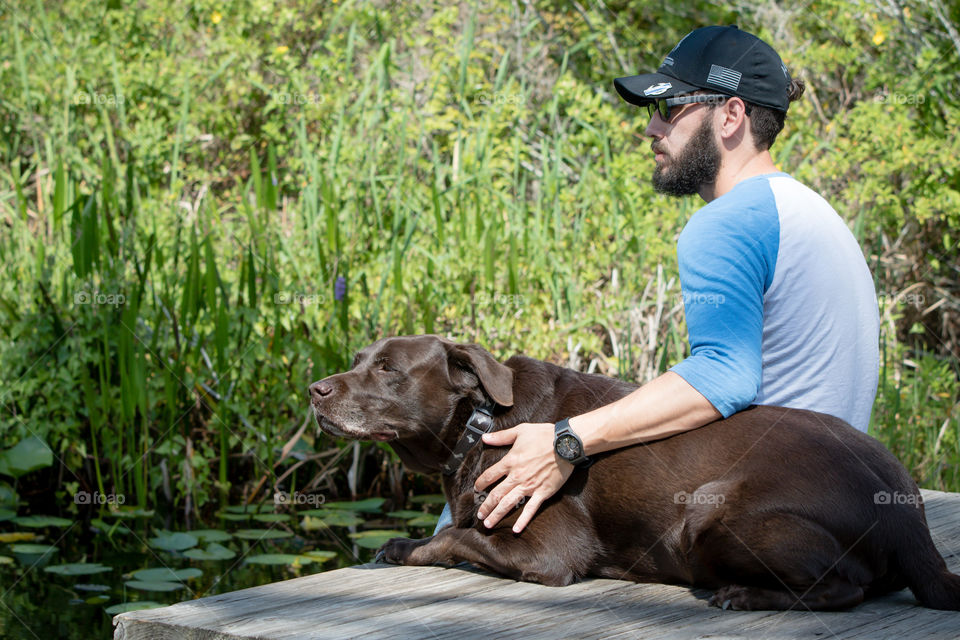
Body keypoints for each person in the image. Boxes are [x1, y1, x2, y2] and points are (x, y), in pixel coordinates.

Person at [435, 25, 879, 535]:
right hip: (829, 498)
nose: (651, 128)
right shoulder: (810, 209)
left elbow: (724, 378)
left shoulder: (726, 222)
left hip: (774, 505)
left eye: (670, 108)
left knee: (493, 478)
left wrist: (565, 441)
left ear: (731, 115)